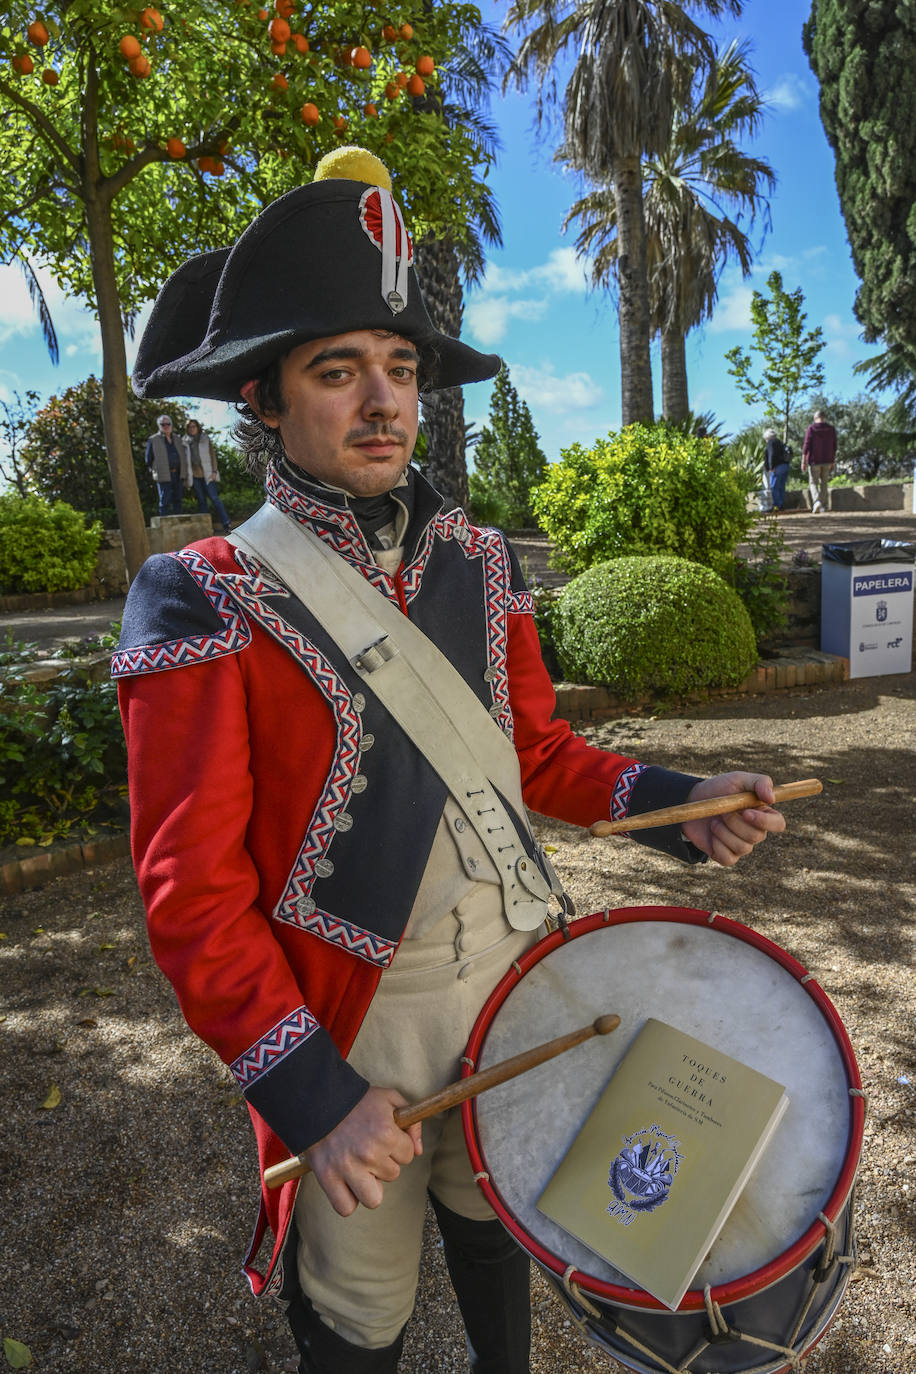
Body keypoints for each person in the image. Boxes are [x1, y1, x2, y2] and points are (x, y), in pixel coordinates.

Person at [115, 148, 785, 1374]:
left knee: (498, 1233)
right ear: (263, 400)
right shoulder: (202, 596)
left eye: (401, 369)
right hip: (350, 1020)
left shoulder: (478, 561)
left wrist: (686, 802)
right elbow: (191, 899)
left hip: (513, 987)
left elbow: (537, 756)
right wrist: (310, 1096)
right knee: (357, 1316)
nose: (382, 403)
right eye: (337, 373)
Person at [182, 417, 232, 533]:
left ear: (197, 427)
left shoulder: (205, 439)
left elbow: (213, 456)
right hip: (194, 476)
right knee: (201, 501)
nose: (192, 428)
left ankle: (227, 524)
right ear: (187, 429)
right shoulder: (184, 441)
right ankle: (206, 528)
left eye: (194, 426)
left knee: (215, 499)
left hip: (208, 475)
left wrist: (214, 472)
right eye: (189, 427)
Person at [144, 413, 183, 515]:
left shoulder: (177, 439)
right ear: (159, 426)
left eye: (168, 424)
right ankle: (163, 525)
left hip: (178, 474)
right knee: (164, 501)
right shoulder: (153, 439)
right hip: (163, 474)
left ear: (171, 425)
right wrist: (155, 471)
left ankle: (178, 523)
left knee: (178, 500)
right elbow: (148, 459)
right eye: (163, 424)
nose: (166, 426)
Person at [801, 409, 837, 513]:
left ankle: (817, 502)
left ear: (815, 418)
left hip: (814, 460)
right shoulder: (831, 429)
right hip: (827, 460)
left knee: (813, 483)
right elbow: (834, 446)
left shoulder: (811, 428)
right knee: (824, 483)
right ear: (824, 418)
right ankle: (822, 506)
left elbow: (806, 445)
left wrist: (803, 461)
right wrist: (833, 460)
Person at [762, 428, 790, 512]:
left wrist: (771, 467)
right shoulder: (780, 442)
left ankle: (776, 505)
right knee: (781, 486)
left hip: (777, 467)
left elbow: (771, 455)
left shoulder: (771, 443)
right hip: (785, 465)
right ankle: (781, 504)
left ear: (767, 437)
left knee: (774, 486)